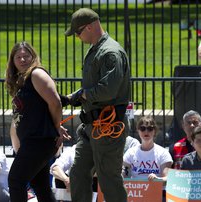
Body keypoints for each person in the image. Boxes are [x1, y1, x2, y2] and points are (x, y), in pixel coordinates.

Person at [64, 7, 131, 202]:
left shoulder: (111, 52)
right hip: (91, 126)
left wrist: (82, 94)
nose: (77, 37)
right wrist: (74, 96)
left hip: (108, 127)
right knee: (77, 172)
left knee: (108, 179)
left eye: (78, 31)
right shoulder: (96, 50)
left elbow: (107, 90)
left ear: (91, 26)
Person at [4, 41, 70, 202]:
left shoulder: (36, 74)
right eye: (18, 57)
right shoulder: (21, 81)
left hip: (39, 140)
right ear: (12, 61)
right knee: (40, 185)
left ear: (33, 57)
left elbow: (55, 103)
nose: (22, 60)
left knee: (16, 180)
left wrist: (56, 128)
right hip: (32, 141)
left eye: (26, 56)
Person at [122, 116, 173, 182]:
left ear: (154, 131)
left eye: (150, 128)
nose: (146, 131)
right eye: (142, 128)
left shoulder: (163, 153)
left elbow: (167, 178)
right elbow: (123, 173)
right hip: (136, 190)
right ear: (138, 131)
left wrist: (157, 179)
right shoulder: (130, 153)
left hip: (157, 190)